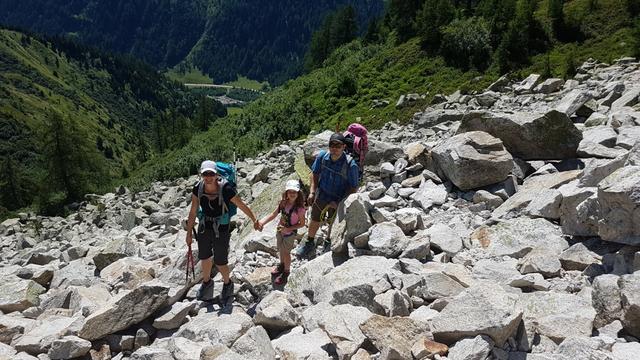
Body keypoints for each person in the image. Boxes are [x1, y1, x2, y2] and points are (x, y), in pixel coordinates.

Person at [185, 160, 262, 302]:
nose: (208, 177)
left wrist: (254, 220)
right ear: (201, 175)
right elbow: (193, 210)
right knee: (205, 257)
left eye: (211, 174)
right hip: (204, 224)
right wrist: (189, 233)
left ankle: (227, 283)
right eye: (205, 174)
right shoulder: (198, 188)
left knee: (220, 261)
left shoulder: (225, 188)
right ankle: (207, 282)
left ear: (216, 174)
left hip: (221, 226)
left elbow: (241, 204)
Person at [296, 133, 359, 258]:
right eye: (332, 145)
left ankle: (328, 242)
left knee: (333, 222)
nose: (334, 148)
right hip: (322, 194)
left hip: (339, 198)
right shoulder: (322, 157)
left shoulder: (350, 165)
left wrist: (340, 203)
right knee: (315, 218)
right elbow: (314, 174)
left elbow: (353, 187)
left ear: (344, 147)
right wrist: (312, 192)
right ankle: (309, 243)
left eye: (338, 145)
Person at [258, 179, 306, 285]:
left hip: (289, 233)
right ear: (286, 193)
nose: (292, 194)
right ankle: (282, 264)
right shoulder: (283, 203)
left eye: (294, 192)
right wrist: (263, 222)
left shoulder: (300, 209)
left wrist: (289, 229)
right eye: (290, 192)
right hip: (280, 231)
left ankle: (286, 271)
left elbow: (302, 224)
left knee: (286, 252)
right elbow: (273, 214)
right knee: (281, 249)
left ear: (298, 193)